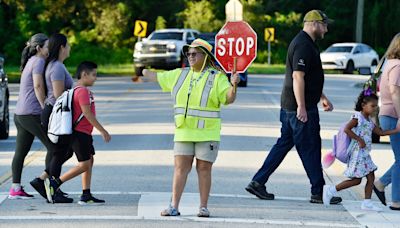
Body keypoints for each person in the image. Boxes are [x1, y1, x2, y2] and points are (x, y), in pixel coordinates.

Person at [245, 10, 342, 204]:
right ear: (314, 24)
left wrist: (321, 96)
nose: (326, 28)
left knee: (283, 144)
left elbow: (308, 76)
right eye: (324, 24)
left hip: (292, 106)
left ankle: (258, 182)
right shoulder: (303, 45)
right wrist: (302, 107)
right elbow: (298, 76)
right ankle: (319, 192)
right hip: (298, 108)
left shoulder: (306, 43)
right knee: (310, 147)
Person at [142, 38, 240, 217]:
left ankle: (203, 207)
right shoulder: (180, 74)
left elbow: (229, 98)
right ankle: (174, 206)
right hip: (184, 131)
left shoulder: (216, 77)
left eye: (195, 53)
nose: (190, 56)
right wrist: (144, 66)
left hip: (207, 133)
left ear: (206, 56)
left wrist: (234, 85)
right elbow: (156, 76)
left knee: (204, 169)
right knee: (180, 169)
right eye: (188, 54)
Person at [44, 61, 111, 205]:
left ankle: (86, 194)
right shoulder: (82, 91)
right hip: (80, 134)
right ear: (84, 74)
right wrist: (103, 130)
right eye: (93, 75)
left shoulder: (78, 90)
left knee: (89, 161)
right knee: (84, 165)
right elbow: (87, 113)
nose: (95, 78)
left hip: (83, 133)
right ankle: (55, 184)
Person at [323, 91, 400, 211]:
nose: (375, 109)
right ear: (363, 105)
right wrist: (359, 139)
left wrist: (396, 130)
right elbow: (347, 129)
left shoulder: (369, 121)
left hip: (364, 154)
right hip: (357, 153)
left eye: (376, 106)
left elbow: (380, 132)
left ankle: (367, 202)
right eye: (372, 106)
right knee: (357, 180)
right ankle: (331, 190)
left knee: (371, 177)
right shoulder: (357, 117)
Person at [29, 33, 74, 202]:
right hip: (56, 113)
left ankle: (42, 182)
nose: (69, 48)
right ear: (62, 47)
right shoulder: (56, 67)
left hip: (55, 112)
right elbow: (59, 95)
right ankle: (52, 190)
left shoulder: (56, 65)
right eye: (68, 45)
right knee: (61, 151)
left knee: (63, 151)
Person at [8, 33, 51, 199]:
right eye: (47, 46)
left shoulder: (30, 61)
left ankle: (15, 188)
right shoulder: (39, 61)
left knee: (21, 152)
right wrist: (44, 108)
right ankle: (50, 186)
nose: (50, 50)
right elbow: (38, 86)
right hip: (32, 113)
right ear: (39, 48)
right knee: (54, 148)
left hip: (20, 113)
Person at [373, 32, 400, 211]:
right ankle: (396, 200)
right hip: (393, 115)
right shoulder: (397, 65)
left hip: (388, 114)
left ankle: (381, 183)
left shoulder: (389, 63)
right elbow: (396, 92)